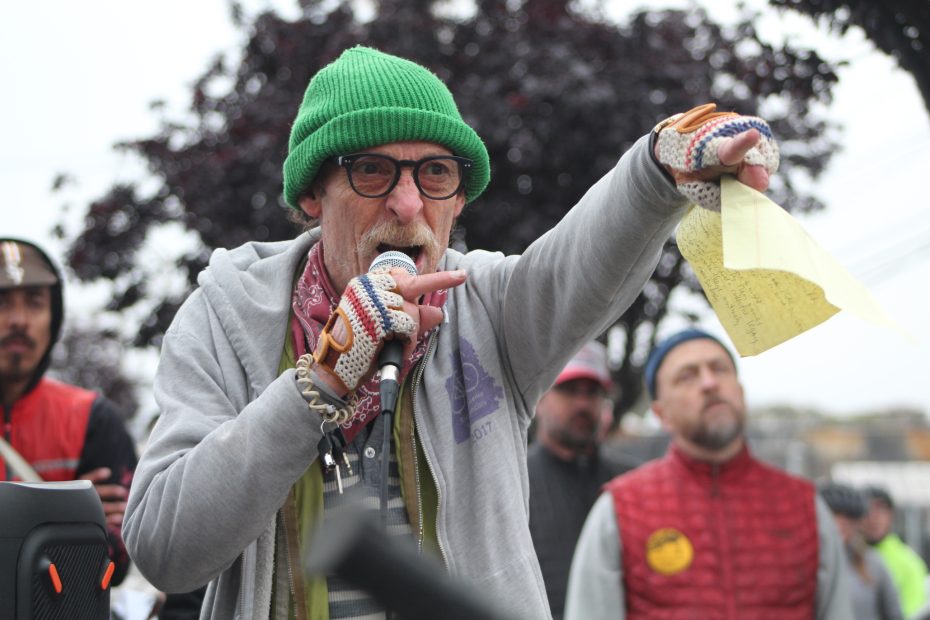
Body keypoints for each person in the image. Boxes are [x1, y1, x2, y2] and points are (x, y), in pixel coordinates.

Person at [123, 45, 782, 620]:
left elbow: (584, 257)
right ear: (312, 197)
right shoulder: (223, 317)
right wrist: (321, 380)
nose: (408, 205)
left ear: (459, 200)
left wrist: (661, 164)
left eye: (435, 173)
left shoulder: (489, 305)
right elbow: (163, 549)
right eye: (371, 170)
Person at [564, 327, 852, 619]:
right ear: (662, 414)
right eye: (687, 376)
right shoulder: (620, 510)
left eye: (720, 369)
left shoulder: (805, 506)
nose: (709, 382)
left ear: (740, 392)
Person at [0, 238, 137, 586]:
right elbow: (88, 542)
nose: (18, 320)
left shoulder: (93, 418)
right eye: (1, 302)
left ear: (54, 316)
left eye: (34, 303)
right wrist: (69, 522)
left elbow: (113, 562)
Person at [528, 340, 638, 619]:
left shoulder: (632, 484)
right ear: (539, 398)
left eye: (593, 393)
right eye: (568, 390)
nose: (583, 403)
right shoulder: (513, 480)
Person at [819, 481, 903, 620]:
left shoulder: (873, 565)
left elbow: (894, 614)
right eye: (834, 517)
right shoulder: (803, 564)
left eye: (848, 520)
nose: (840, 526)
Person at [862, 486, 930, 618]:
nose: (874, 518)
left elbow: (914, 612)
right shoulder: (847, 556)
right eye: (868, 510)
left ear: (891, 516)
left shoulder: (908, 561)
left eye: (881, 510)